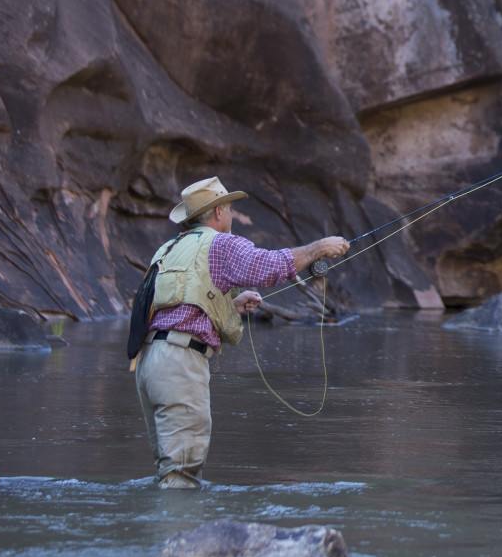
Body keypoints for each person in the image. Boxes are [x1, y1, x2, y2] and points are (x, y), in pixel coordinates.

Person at [135, 176, 349, 488]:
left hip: (149, 363)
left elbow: (175, 306)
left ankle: (162, 533)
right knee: (181, 475)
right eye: (230, 209)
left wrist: (230, 306)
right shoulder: (219, 244)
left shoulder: (168, 249)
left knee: (168, 473)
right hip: (180, 364)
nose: (232, 215)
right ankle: (178, 537)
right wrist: (319, 248)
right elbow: (269, 266)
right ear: (218, 211)